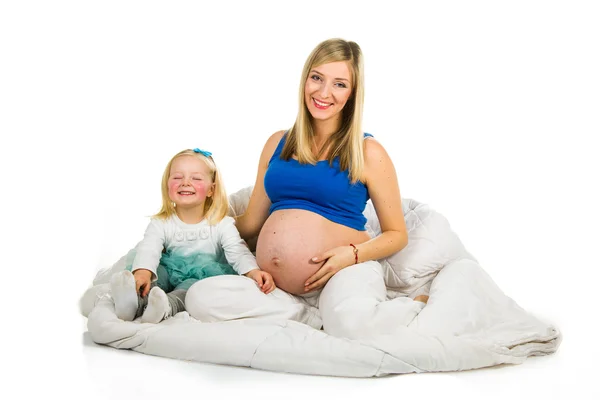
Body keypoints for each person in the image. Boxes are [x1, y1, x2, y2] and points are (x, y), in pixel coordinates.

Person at [185, 39, 427, 339]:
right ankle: (308, 316)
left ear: (352, 94)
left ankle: (412, 307)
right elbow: (251, 222)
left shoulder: (368, 151)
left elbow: (396, 234)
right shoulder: (277, 143)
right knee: (199, 298)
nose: (324, 93)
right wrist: (194, 226)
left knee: (353, 327)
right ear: (305, 80)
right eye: (317, 78)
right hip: (272, 285)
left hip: (342, 271)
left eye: (339, 84)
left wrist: (350, 256)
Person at [110, 148, 275, 323]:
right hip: (171, 268)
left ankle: (164, 307)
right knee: (156, 275)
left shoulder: (221, 223)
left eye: (196, 178)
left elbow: (238, 251)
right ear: (167, 185)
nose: (185, 183)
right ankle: (133, 302)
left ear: (211, 189)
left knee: (187, 290)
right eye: (177, 177)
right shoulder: (162, 222)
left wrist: (253, 271)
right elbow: (149, 249)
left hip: (201, 275)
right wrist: (143, 272)